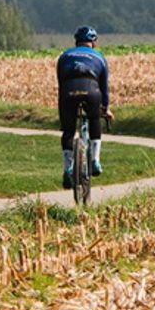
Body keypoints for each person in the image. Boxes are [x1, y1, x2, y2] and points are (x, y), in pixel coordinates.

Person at [57, 25, 112, 188]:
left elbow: (60, 84)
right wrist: (105, 108)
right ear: (93, 42)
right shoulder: (100, 57)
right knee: (94, 119)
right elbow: (104, 88)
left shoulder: (64, 56)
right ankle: (95, 160)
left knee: (68, 131)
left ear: (76, 42)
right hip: (92, 91)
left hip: (68, 92)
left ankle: (67, 170)